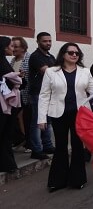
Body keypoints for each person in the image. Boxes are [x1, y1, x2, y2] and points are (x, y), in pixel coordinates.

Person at [39, 43, 93, 191]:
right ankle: (57, 181)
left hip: (80, 114)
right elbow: (44, 95)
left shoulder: (85, 71)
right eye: (71, 52)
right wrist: (41, 118)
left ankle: (77, 180)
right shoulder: (51, 72)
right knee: (60, 146)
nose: (74, 55)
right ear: (63, 54)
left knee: (78, 146)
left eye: (77, 53)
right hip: (58, 113)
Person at [28, 32, 56, 160]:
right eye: (45, 41)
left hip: (48, 93)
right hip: (37, 93)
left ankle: (47, 146)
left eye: (49, 41)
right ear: (38, 42)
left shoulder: (50, 56)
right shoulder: (35, 56)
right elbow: (48, 72)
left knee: (48, 121)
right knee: (37, 122)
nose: (48, 43)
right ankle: (36, 150)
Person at [0, 36, 20, 173]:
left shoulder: (4, 62)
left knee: (6, 133)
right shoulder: (3, 63)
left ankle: (8, 163)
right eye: (11, 46)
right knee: (4, 133)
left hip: (7, 103)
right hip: (3, 104)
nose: (13, 48)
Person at [11, 36, 31, 152]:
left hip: (25, 94)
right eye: (12, 46)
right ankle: (21, 139)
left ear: (23, 48)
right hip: (15, 95)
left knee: (24, 118)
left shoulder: (29, 59)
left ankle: (28, 142)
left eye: (16, 46)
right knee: (17, 118)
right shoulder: (13, 61)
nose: (13, 49)